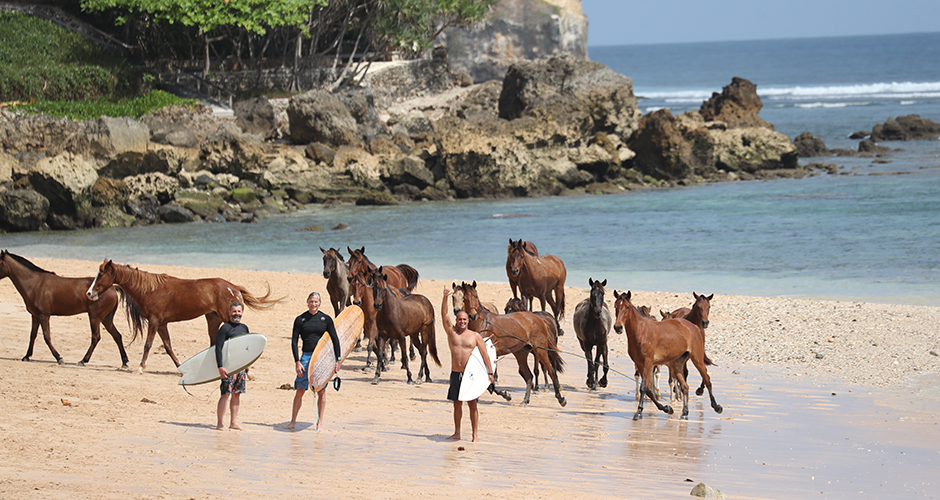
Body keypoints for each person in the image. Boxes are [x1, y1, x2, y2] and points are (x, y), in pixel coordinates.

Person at [441, 287, 494, 442]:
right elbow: (444, 314)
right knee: (457, 405)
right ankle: (457, 433)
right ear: (456, 321)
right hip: (456, 373)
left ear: (468, 320)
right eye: (460, 319)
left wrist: (490, 374)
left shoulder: (475, 336)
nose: (462, 322)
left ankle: (474, 435)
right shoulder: (452, 332)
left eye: (464, 319)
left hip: (470, 375)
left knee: (472, 405)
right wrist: (445, 297)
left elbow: (485, 355)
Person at [287, 292, 341, 431]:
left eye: (316, 302)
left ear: (319, 303)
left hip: (321, 358)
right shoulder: (300, 319)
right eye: (311, 301)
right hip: (305, 357)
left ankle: (320, 423)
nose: (313, 304)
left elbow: (335, 340)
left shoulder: (326, 319)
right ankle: (293, 421)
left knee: (321, 391)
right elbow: (294, 341)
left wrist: (338, 360)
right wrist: (297, 361)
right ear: (308, 302)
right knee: (300, 390)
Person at [216, 302, 250, 431]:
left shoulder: (244, 328)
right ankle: (220, 423)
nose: (237, 314)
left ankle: (233, 422)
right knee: (225, 394)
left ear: (242, 312)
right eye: (234, 311)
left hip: (240, 367)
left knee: (237, 394)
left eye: (239, 311)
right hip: (228, 367)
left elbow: (248, 347)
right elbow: (218, 348)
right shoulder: (225, 328)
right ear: (229, 313)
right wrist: (220, 366)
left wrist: (247, 364)